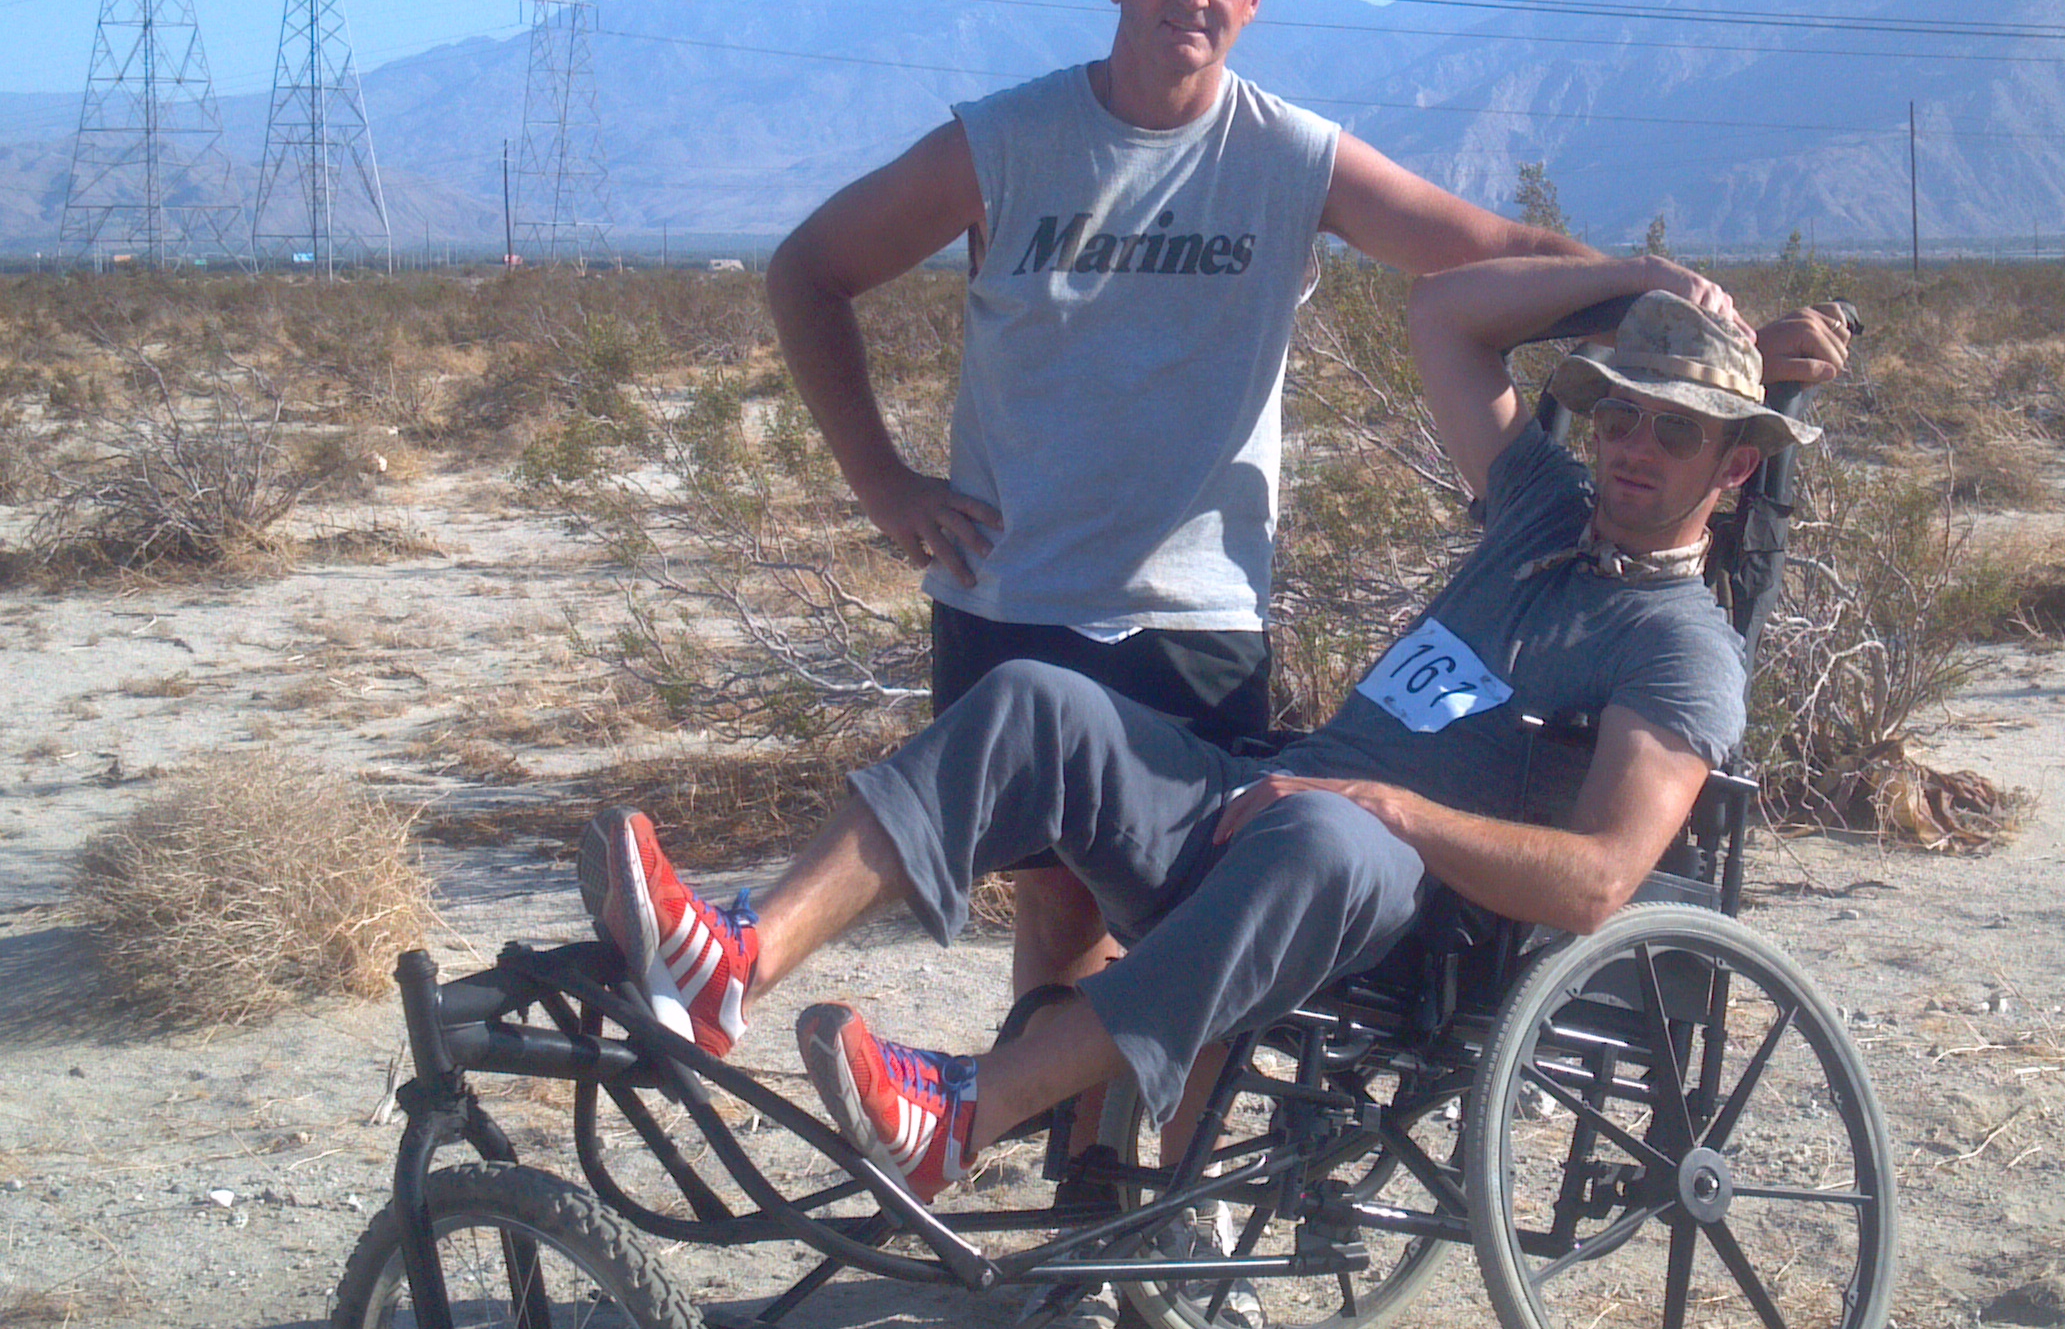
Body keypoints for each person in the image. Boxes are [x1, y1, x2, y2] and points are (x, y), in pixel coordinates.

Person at [581, 254, 1853, 1215]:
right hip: (1270, 807)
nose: (1631, 447)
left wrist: (1391, 809)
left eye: (1673, 430)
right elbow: (1443, 312)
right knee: (1040, 702)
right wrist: (1644, 281)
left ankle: (963, 1116)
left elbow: (1597, 882)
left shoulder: (1683, 648)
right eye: (1620, 412)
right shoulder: (1542, 509)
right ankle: (733, 960)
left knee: (1327, 841)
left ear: (1733, 469)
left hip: (1409, 917)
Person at [753, 0, 1628, 1061]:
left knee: (1169, 910)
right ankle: (1065, 1178)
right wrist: (883, 483)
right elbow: (810, 270)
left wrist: (1669, 301)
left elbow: (1487, 245)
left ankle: (1099, 1180)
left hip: (1196, 616)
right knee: (1055, 900)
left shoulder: (1291, 156)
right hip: (1016, 586)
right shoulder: (1005, 144)